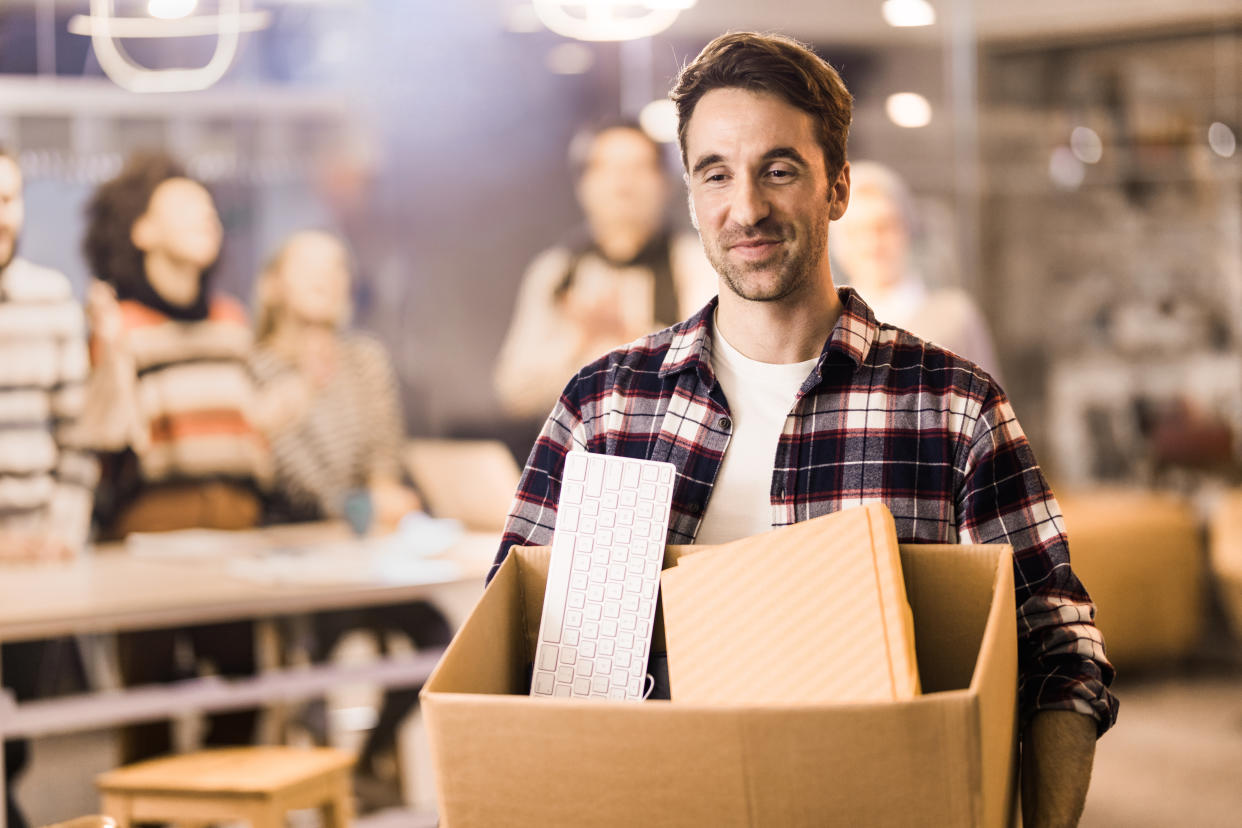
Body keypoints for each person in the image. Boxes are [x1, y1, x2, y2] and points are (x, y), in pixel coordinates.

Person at [491, 32, 1117, 828]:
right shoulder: (605, 407)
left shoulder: (952, 406)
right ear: (691, 196)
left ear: (839, 187)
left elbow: (1061, 652)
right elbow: (511, 645)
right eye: (715, 174)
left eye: (778, 170)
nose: (745, 208)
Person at [79, 151, 269, 763]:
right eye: (185, 208)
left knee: (247, 698)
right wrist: (107, 354)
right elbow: (107, 436)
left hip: (236, 540)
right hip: (148, 546)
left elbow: (252, 437)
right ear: (141, 230)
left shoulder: (231, 321)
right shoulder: (121, 326)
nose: (205, 219)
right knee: (148, 716)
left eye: (209, 210)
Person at [249, 229, 450, 805]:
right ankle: (316, 786)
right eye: (310, 266)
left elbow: (384, 451)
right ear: (274, 285)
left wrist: (380, 492)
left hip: (369, 559)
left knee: (438, 638)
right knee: (309, 661)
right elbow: (296, 480)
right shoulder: (258, 368)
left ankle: (359, 767)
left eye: (338, 266)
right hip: (295, 561)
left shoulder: (366, 360)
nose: (328, 278)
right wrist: (363, 503)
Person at [493, 119, 716, 424]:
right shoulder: (556, 272)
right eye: (607, 168)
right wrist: (580, 339)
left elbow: (714, 381)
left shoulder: (696, 265)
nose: (623, 185)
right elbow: (513, 393)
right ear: (583, 184)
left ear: (665, 182)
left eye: (638, 168)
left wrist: (629, 334)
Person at [0, 148, 94, 828]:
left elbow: (78, 435)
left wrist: (59, 532)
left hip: (38, 559)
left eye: (7, 199)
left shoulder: (49, 296)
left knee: (20, 735)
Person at [831, 160, 1002, 378]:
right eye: (856, 232)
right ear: (837, 244)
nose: (871, 244)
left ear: (906, 229)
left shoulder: (956, 319)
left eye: (884, 227)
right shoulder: (826, 327)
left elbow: (993, 409)